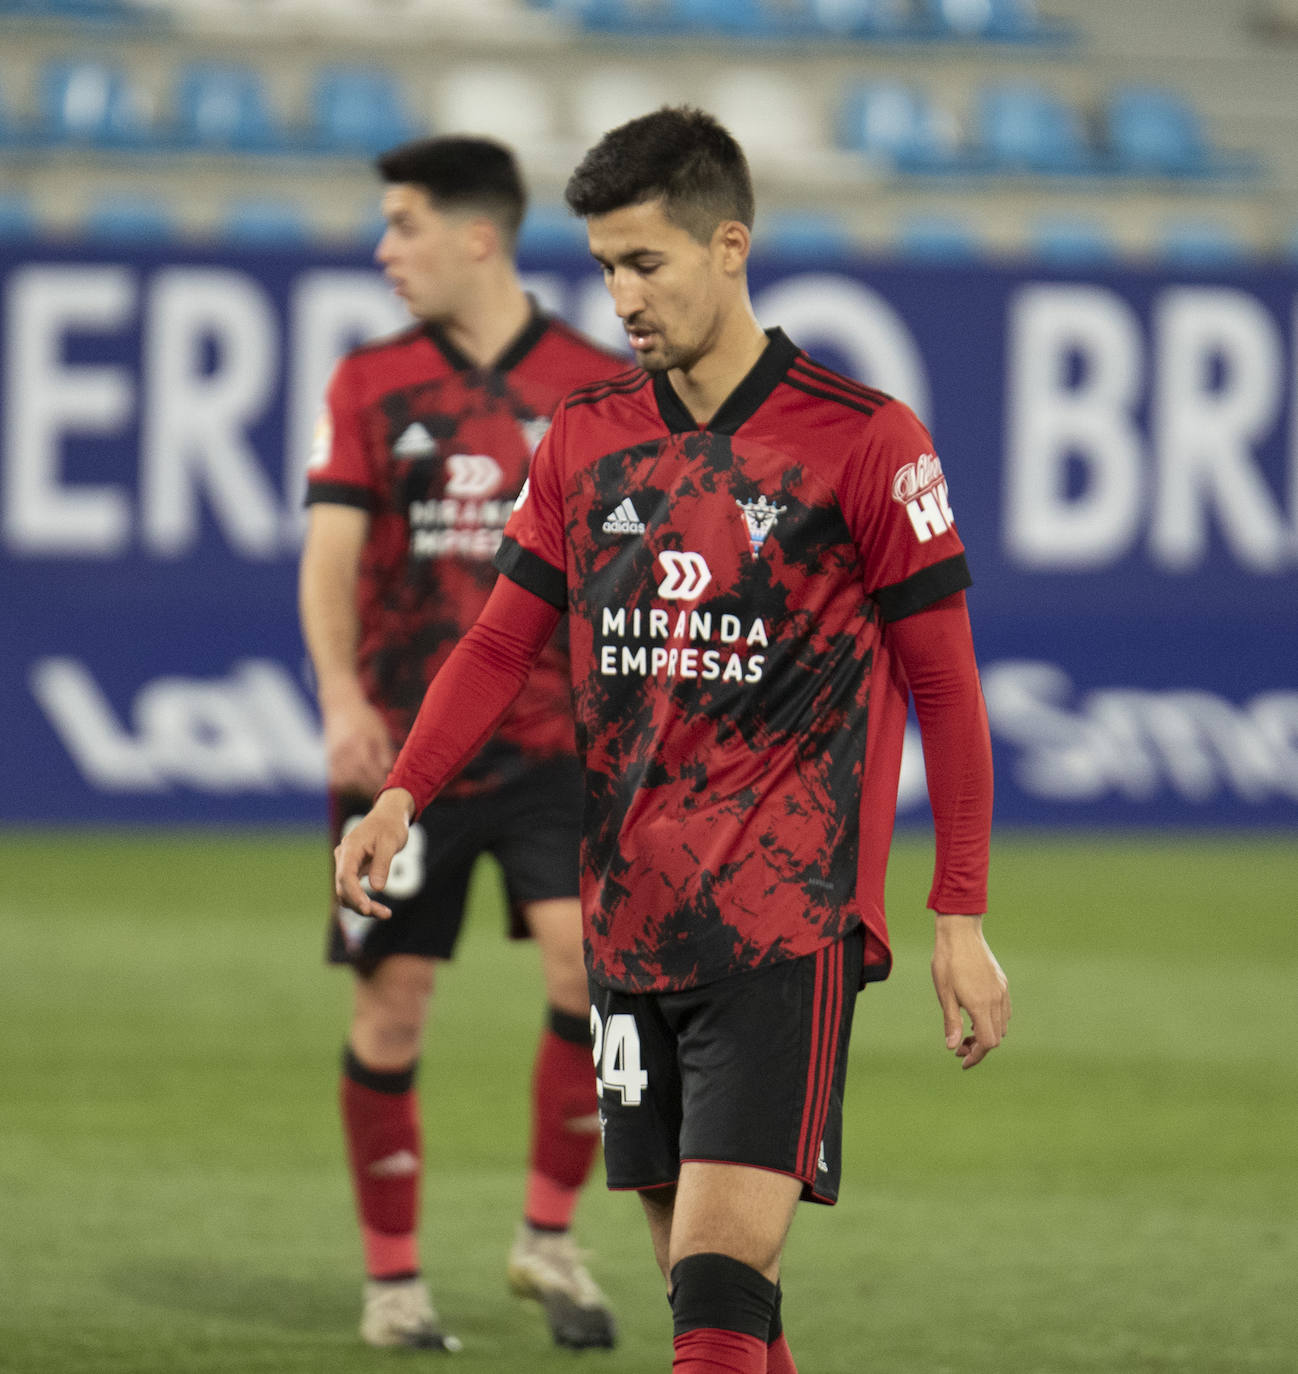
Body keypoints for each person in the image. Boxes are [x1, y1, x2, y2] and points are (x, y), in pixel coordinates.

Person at [335, 107, 1011, 1374]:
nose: (620, 295)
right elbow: (495, 643)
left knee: (708, 1297)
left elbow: (947, 689)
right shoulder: (587, 435)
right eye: (601, 267)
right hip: (627, 924)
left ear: (729, 247)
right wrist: (402, 797)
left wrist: (956, 916)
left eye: (644, 263)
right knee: (723, 1306)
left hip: (783, 921)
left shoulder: (863, 440)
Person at [299, 134, 627, 1352]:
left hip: (556, 746)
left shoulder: (597, 385)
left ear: (476, 235)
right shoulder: (368, 384)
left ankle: (546, 1239)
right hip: (401, 760)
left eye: (402, 225)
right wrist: (340, 701)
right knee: (394, 1009)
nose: (384, 251)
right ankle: (394, 1283)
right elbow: (329, 557)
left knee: (589, 980)